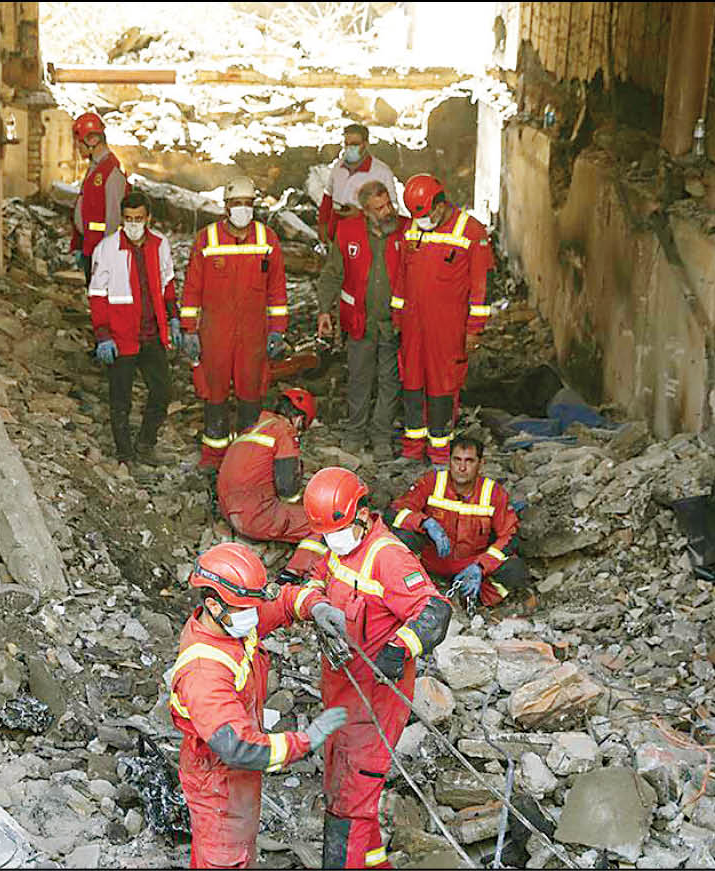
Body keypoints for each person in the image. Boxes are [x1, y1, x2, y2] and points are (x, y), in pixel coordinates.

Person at [300, 467, 452, 868]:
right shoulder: (338, 546)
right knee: (345, 791)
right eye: (326, 534)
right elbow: (316, 576)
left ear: (363, 514)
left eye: (337, 531)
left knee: (349, 803)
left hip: (375, 699)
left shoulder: (388, 556)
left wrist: (399, 649)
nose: (331, 540)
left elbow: (435, 610)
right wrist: (317, 605)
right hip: (341, 692)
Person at [167, 542, 352, 869]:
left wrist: (316, 607)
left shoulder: (231, 622)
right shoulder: (204, 672)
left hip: (236, 776)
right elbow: (239, 748)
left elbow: (282, 602)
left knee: (240, 847)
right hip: (218, 784)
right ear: (213, 604)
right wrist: (305, 741)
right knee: (225, 858)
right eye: (246, 608)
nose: (253, 615)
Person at [179, 176, 289, 472]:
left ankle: (247, 460)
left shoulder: (267, 239)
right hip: (216, 331)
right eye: (237, 203)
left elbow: (277, 289)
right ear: (226, 207)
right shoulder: (207, 238)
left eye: (248, 203)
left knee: (251, 393)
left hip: (253, 333)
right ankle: (214, 458)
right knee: (214, 392)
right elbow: (192, 288)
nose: (243, 209)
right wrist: (189, 330)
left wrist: (278, 330)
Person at [396, 173, 494, 466]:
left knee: (442, 386)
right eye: (417, 216)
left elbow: (482, 286)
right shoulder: (413, 228)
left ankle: (439, 452)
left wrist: (474, 330)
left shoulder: (471, 231)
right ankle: (413, 447)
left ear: (440, 203)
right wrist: (397, 316)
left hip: (448, 328)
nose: (423, 221)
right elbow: (402, 276)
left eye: (426, 215)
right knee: (411, 382)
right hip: (413, 325)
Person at [316, 180, 408, 458]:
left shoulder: (407, 230)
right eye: (379, 208)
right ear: (365, 211)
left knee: (390, 381)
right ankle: (355, 433)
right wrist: (324, 310)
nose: (387, 212)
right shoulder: (348, 231)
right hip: (360, 322)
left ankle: (381, 437)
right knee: (359, 379)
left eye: (388, 204)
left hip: (393, 324)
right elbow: (333, 273)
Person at [87, 191, 177, 466]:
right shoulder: (107, 249)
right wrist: (103, 334)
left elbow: (167, 283)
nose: (133, 224)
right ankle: (125, 455)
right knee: (120, 400)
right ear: (122, 218)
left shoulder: (160, 244)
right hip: (121, 337)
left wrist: (174, 317)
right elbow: (97, 295)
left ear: (148, 218)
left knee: (162, 392)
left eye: (138, 218)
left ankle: (146, 444)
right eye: (128, 218)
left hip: (152, 335)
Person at [389, 434, 530, 608]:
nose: (462, 468)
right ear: (449, 461)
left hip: (470, 567)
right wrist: (424, 522)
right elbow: (395, 512)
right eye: (457, 460)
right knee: (401, 539)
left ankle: (475, 600)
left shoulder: (493, 493)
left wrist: (481, 566)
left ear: (481, 463)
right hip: (429, 562)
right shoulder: (432, 482)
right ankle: (410, 590)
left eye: (469, 461)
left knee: (515, 570)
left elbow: (510, 535)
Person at [217, 388, 316, 544]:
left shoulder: (250, 431)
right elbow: (287, 489)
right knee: (323, 523)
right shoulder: (284, 431)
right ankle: (301, 561)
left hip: (230, 514)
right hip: (255, 519)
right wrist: (304, 504)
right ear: (299, 419)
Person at [316, 123, 401, 246]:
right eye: (346, 144)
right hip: (337, 234)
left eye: (355, 144)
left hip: (366, 238)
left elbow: (392, 211)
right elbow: (328, 197)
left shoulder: (382, 172)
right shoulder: (338, 167)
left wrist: (361, 215)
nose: (349, 148)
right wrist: (322, 224)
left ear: (366, 144)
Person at [70, 112, 127, 283]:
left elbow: (114, 218)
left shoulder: (111, 171)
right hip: (91, 247)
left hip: (102, 252)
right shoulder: (95, 167)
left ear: (92, 140)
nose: (77, 147)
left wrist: (107, 257)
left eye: (79, 142)